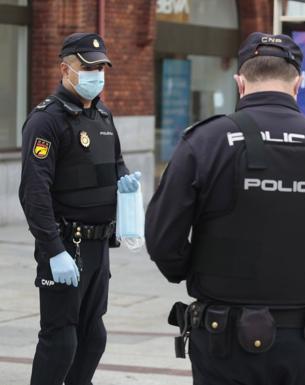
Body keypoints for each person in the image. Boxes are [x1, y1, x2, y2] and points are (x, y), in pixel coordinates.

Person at [145, 32, 305, 385]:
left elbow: (161, 239)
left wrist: (197, 270)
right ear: (298, 84)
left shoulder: (206, 142)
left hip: (222, 333)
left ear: (239, 82)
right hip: (300, 335)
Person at [19, 32, 141, 385]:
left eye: (101, 66)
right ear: (65, 69)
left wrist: (125, 185)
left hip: (99, 246)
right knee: (60, 340)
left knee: (93, 338)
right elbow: (33, 191)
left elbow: (115, 164)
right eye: (88, 67)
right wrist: (53, 250)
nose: (97, 74)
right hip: (65, 244)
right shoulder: (47, 119)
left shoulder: (103, 115)